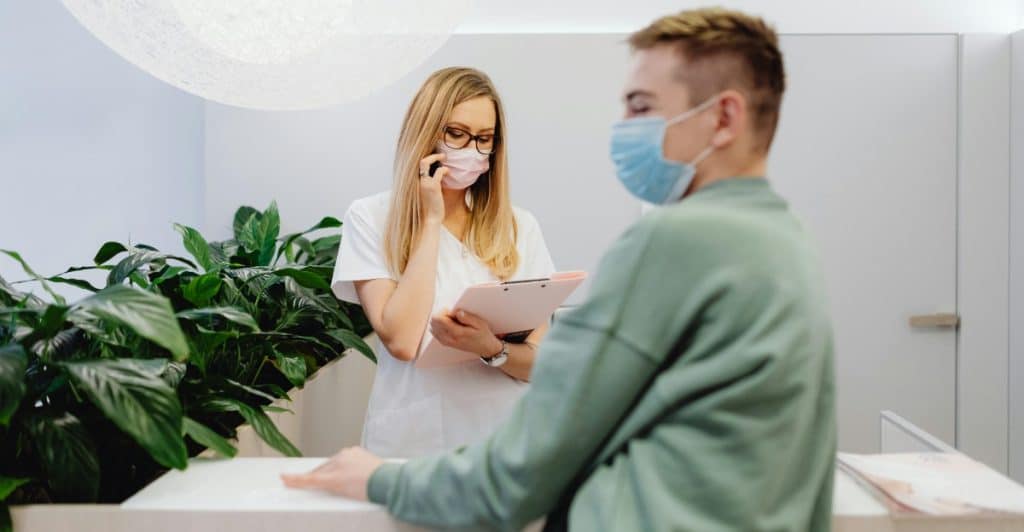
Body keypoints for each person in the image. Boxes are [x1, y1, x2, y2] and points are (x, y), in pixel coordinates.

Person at [287, 8, 836, 531]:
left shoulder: (667, 243)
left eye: (641, 106)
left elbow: (536, 455)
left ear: (724, 117)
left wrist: (382, 481)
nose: (623, 126)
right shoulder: (788, 240)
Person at [329, 67, 556, 459]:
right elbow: (402, 340)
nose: (471, 150)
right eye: (457, 133)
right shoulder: (371, 218)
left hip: (505, 441)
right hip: (417, 442)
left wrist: (490, 347)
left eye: (484, 139)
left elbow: (542, 364)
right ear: (426, 132)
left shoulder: (519, 226)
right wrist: (431, 221)